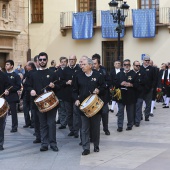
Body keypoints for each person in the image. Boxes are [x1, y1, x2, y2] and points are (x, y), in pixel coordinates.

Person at [28, 52, 61, 152]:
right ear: (38, 61)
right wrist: (31, 90)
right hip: (39, 104)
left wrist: (54, 86)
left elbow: (59, 87)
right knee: (42, 124)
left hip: (51, 103)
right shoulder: (32, 74)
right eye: (40, 60)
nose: (42, 61)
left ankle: (53, 143)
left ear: (47, 60)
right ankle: (44, 144)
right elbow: (27, 86)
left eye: (44, 59)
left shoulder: (52, 73)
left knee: (51, 123)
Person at [73, 57, 105, 155]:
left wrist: (99, 90)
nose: (82, 66)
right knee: (84, 128)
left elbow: (103, 86)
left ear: (90, 65)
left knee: (95, 127)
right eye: (81, 64)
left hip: (95, 106)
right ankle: (86, 147)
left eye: (84, 64)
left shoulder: (98, 75)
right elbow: (74, 90)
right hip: (83, 106)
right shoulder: (78, 76)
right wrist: (76, 99)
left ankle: (96, 145)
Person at [115, 59, 137, 132]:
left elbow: (138, 85)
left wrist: (131, 84)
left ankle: (130, 125)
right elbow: (115, 83)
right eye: (125, 65)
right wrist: (120, 84)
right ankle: (120, 126)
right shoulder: (119, 74)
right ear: (122, 65)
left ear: (130, 66)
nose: (126, 66)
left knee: (130, 112)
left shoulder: (134, 74)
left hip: (130, 96)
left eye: (128, 65)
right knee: (120, 112)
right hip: (121, 96)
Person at [63, 54, 81, 138]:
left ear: (76, 60)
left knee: (76, 112)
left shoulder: (79, 70)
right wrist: (66, 82)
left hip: (76, 95)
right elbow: (60, 82)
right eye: (70, 59)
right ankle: (71, 129)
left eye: (73, 59)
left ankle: (76, 130)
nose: (71, 61)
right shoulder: (65, 70)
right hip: (67, 95)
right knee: (69, 113)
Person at [92, 57, 110, 135]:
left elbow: (108, 81)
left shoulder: (103, 71)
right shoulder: (90, 72)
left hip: (103, 97)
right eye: (92, 64)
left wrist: (103, 87)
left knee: (105, 113)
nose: (93, 65)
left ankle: (106, 129)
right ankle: (95, 130)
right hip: (94, 98)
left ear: (99, 64)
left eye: (95, 64)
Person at [5, 60, 21, 133]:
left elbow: (18, 86)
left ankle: (14, 127)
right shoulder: (3, 75)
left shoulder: (16, 76)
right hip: (4, 96)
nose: (6, 66)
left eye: (8, 64)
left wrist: (10, 90)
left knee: (13, 113)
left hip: (12, 96)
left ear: (12, 66)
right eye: (6, 64)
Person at [140, 55, 157, 121]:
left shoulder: (152, 69)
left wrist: (152, 87)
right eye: (145, 60)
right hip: (141, 89)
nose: (147, 62)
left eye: (148, 60)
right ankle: (140, 115)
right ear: (143, 61)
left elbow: (154, 79)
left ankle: (146, 116)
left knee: (148, 103)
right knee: (139, 103)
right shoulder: (140, 68)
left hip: (149, 89)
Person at [132, 60, 146, 127]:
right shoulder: (131, 73)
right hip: (132, 93)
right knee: (132, 108)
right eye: (136, 65)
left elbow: (144, 82)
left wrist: (134, 84)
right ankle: (133, 120)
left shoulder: (142, 73)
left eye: (139, 65)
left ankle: (137, 121)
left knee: (138, 107)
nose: (138, 67)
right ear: (133, 66)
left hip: (140, 93)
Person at [22, 61, 36, 128]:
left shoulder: (34, 73)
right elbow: (23, 81)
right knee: (25, 109)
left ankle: (33, 123)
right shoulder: (26, 73)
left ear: (30, 66)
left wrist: (24, 82)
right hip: (25, 93)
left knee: (32, 109)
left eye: (27, 65)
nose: (26, 66)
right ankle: (27, 122)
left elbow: (27, 83)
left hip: (31, 93)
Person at [56, 56, 68, 129]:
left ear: (67, 62)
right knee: (61, 109)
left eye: (64, 62)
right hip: (59, 92)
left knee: (67, 109)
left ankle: (66, 122)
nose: (63, 63)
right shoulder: (57, 72)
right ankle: (62, 122)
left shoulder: (68, 70)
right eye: (62, 62)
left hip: (67, 93)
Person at [0, 70, 10, 150]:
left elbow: (8, 86)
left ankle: (0, 144)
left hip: (1, 101)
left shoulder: (3, 75)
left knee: (1, 124)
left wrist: (7, 90)